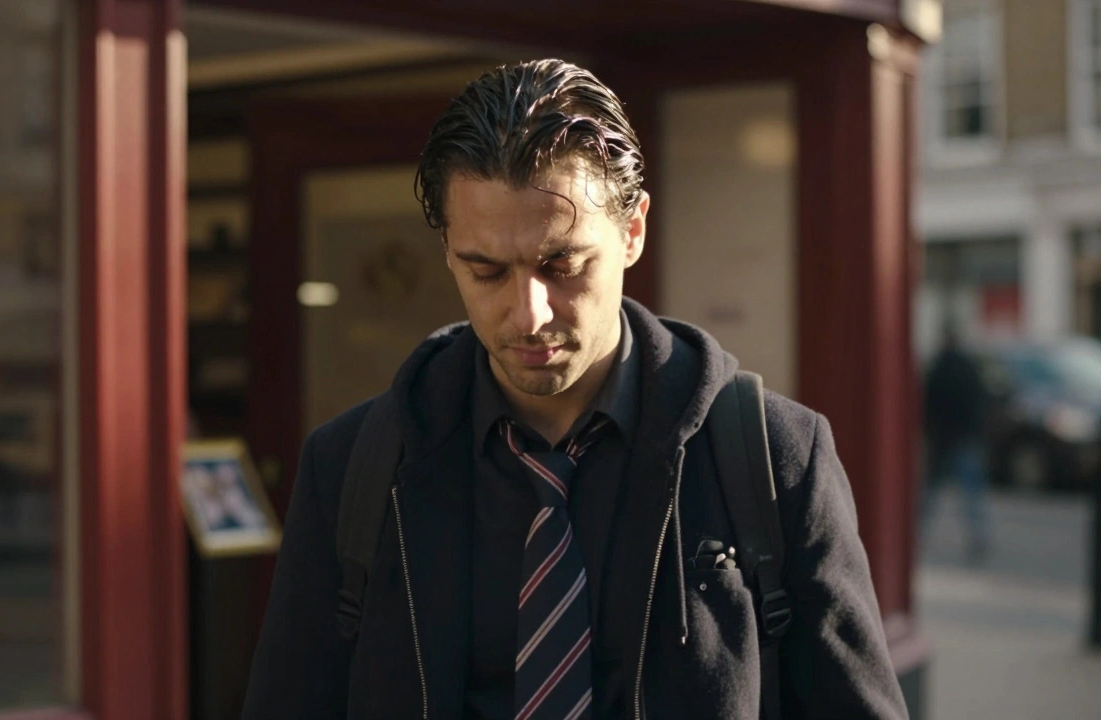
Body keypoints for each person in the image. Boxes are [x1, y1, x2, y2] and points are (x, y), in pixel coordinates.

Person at [242, 59, 907, 719]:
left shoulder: (777, 457)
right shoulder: (350, 466)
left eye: (562, 264)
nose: (528, 313)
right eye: (486, 271)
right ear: (447, 250)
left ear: (633, 230)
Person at [922, 325, 991, 562]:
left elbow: (928, 404)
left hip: (944, 440)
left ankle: (916, 537)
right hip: (965, 437)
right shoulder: (968, 367)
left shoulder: (940, 368)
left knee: (930, 495)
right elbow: (980, 401)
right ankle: (979, 539)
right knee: (972, 495)